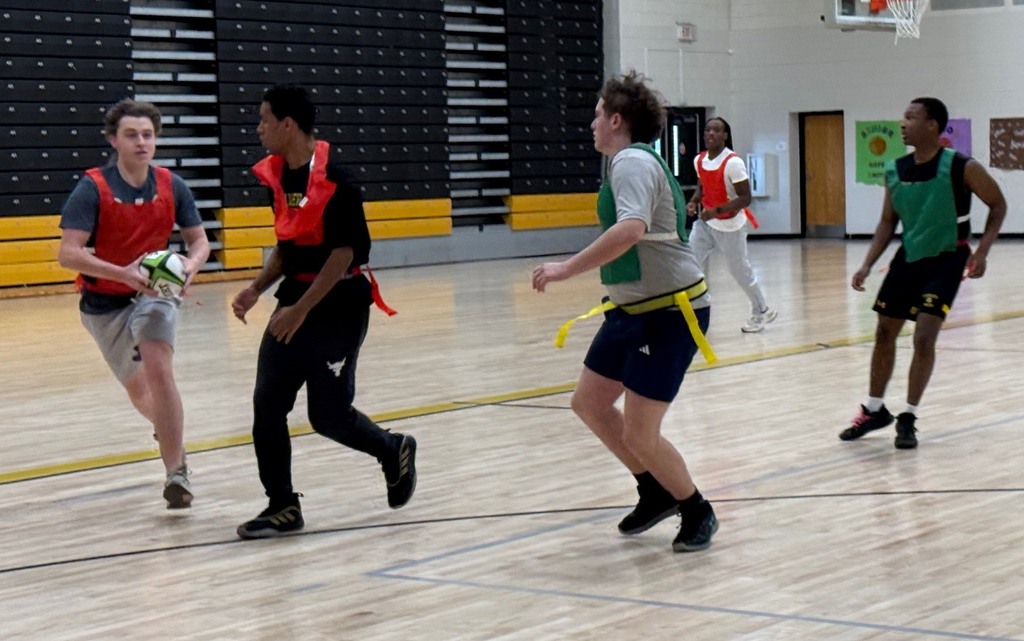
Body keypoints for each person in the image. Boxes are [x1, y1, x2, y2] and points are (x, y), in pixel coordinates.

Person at [532, 71, 718, 553]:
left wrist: (566, 268)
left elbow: (631, 228)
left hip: (669, 314)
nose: (591, 123)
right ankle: (654, 489)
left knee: (640, 431)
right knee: (589, 403)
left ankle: (696, 507)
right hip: (630, 310)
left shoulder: (631, 162)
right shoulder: (628, 161)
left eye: (597, 114)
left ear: (617, 119)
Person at [232, 85, 416, 539]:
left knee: (328, 417)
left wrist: (299, 310)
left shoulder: (338, 180)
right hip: (293, 302)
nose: (258, 129)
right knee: (267, 405)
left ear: (287, 124)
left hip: (338, 307)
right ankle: (282, 506)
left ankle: (392, 449)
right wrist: (257, 289)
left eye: (264, 119)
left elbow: (343, 255)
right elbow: (287, 246)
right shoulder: (280, 177)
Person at [57, 99, 211, 509]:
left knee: (160, 368)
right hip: (103, 302)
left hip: (155, 293)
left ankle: (176, 473)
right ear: (113, 140)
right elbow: (68, 253)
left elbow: (199, 241)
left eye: (148, 134)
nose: (142, 142)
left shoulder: (171, 184)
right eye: (131, 134)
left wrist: (189, 267)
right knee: (142, 394)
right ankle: (169, 435)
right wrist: (123, 273)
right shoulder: (92, 187)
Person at [839, 97, 1006, 449]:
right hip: (908, 257)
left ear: (932, 125)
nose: (903, 123)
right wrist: (867, 263)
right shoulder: (895, 169)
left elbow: (998, 204)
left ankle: (909, 416)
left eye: (910, 117)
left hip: (947, 259)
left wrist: (984, 250)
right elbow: (888, 221)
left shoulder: (963, 166)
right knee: (885, 331)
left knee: (924, 337)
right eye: (902, 117)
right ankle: (874, 409)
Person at [686, 117, 776, 333]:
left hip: (731, 226)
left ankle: (762, 310)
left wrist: (716, 211)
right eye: (708, 130)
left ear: (725, 135)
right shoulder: (699, 160)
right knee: (688, 263)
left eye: (717, 130)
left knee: (739, 271)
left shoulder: (733, 163)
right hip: (706, 224)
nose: (711, 134)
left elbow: (745, 198)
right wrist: (694, 201)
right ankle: (694, 311)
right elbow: (702, 187)